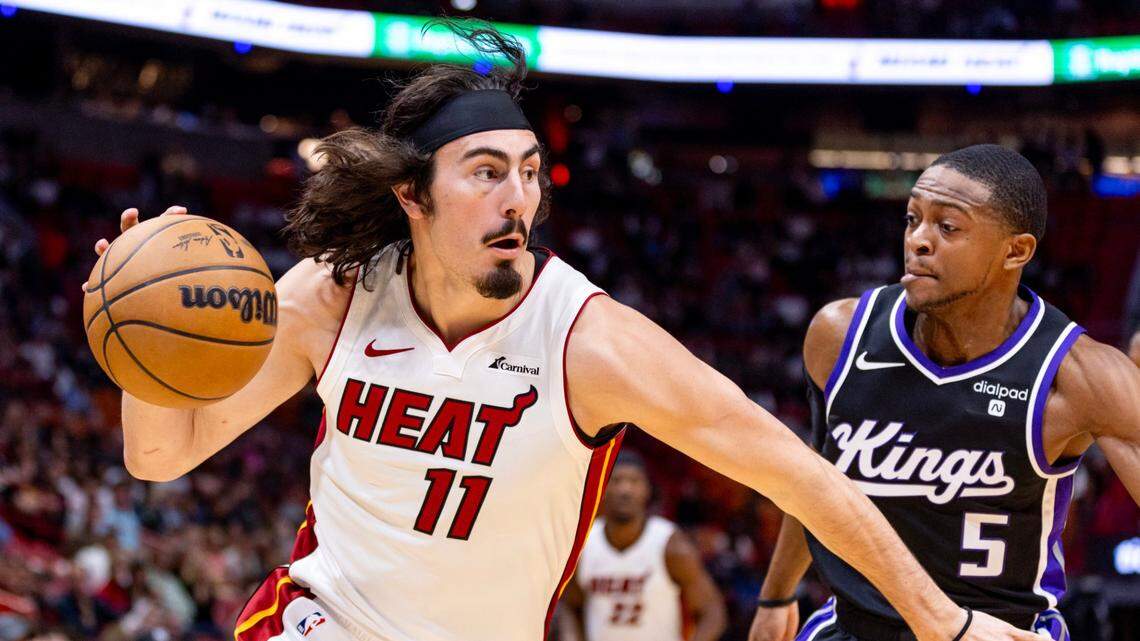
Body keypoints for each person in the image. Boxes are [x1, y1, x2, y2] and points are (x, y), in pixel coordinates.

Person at [89, 24, 1040, 641]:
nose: (521, 200)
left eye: (532, 171)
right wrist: (145, 339)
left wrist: (944, 622)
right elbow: (160, 456)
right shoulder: (333, 297)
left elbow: (799, 471)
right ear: (413, 195)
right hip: (316, 621)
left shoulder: (589, 340)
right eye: (486, 173)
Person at [747, 145, 1140, 641]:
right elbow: (816, 478)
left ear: (1015, 251)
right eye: (913, 219)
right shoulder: (839, 336)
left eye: (947, 227)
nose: (918, 241)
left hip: (1000, 631)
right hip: (854, 628)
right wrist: (776, 595)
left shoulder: (1078, 375)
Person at [561, 450, 726, 641]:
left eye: (634, 481)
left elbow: (713, 612)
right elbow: (570, 605)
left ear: (647, 489)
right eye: (616, 480)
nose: (625, 489)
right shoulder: (584, 543)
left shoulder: (670, 545)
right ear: (602, 487)